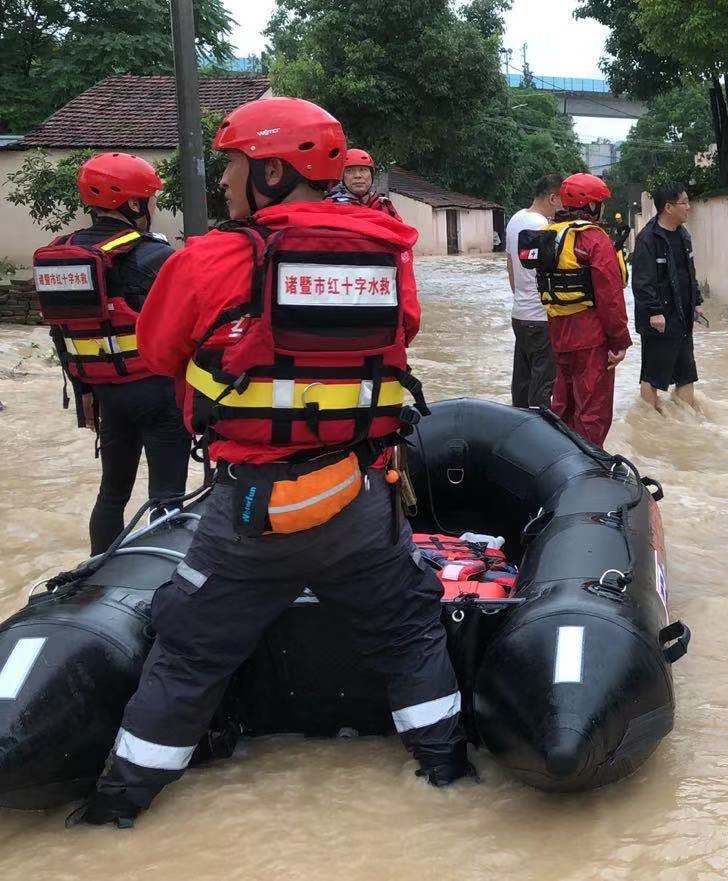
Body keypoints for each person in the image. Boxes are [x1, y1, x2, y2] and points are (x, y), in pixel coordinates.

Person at [73, 97, 469, 828]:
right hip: (357, 495)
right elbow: (401, 331)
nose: (224, 182)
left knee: (190, 648)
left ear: (274, 171)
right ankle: (448, 770)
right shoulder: (387, 251)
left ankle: (116, 808)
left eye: (232, 165)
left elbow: (159, 350)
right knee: (407, 628)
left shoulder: (216, 256)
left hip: (252, 511)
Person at [32, 152, 190, 554]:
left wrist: (85, 390)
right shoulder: (155, 256)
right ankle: (164, 578)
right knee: (167, 496)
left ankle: (96, 571)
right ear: (134, 204)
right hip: (156, 393)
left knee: (112, 493)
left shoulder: (61, 254)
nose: (153, 206)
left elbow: (62, 333)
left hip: (104, 393)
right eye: (151, 199)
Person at [517, 172, 631, 447]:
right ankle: (588, 469)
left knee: (563, 405)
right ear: (592, 205)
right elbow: (610, 297)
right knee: (592, 410)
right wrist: (620, 341)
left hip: (558, 334)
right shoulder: (594, 240)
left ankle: (560, 459)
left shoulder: (548, 235)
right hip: (591, 338)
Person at [631, 182, 704, 413]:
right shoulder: (648, 239)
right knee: (653, 374)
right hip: (658, 319)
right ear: (668, 207)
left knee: (686, 372)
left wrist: (697, 302)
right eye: (684, 202)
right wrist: (654, 312)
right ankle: (650, 420)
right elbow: (642, 283)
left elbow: (688, 273)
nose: (688, 207)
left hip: (682, 315)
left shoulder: (683, 235)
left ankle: (686, 422)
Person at [504, 174, 563, 408]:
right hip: (541, 317)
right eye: (563, 200)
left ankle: (516, 432)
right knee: (542, 387)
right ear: (552, 198)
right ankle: (541, 438)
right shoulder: (545, 228)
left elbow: (510, 267)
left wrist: (522, 297)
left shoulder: (515, 220)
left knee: (522, 382)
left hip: (519, 314)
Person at [326, 148, 401, 218]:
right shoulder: (332, 206)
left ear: (371, 175)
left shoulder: (384, 205)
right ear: (342, 177)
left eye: (363, 170)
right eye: (349, 171)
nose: (357, 176)